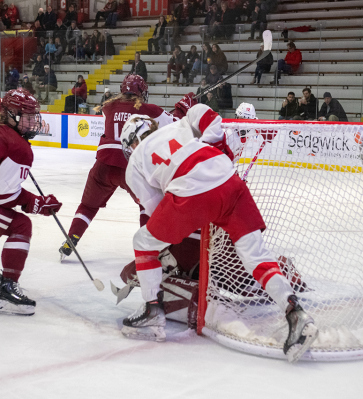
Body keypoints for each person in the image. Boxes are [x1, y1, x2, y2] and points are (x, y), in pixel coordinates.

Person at [118, 105, 318, 362]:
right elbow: (204, 112)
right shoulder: (176, 127)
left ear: (130, 144)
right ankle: (296, 312)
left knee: (143, 241)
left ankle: (152, 313)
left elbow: (156, 210)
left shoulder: (135, 161)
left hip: (191, 193)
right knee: (255, 254)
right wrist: (215, 144)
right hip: (229, 178)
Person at [58, 74, 197, 260]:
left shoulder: (107, 106)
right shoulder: (149, 109)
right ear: (142, 92)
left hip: (103, 165)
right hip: (129, 166)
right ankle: (149, 250)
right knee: (146, 205)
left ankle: (71, 239)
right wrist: (182, 107)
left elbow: (123, 113)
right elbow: (176, 124)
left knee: (88, 205)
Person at [0, 89, 62, 314]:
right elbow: (6, 197)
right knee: (20, 225)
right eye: (27, 116)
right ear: (10, 114)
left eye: (32, 116)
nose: (32, 122)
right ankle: (7, 291)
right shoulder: (18, 147)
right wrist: (37, 203)